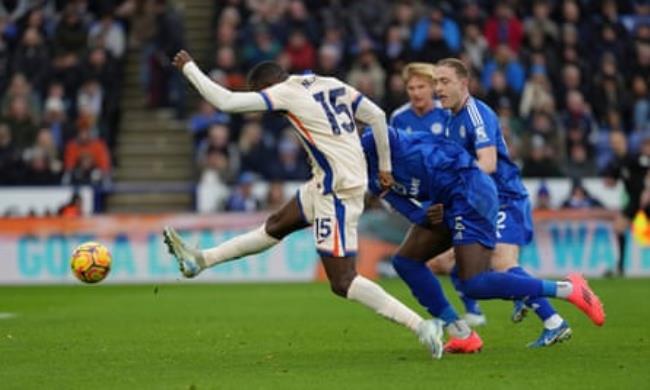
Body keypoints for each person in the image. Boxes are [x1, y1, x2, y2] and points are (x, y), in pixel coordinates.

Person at [163, 50, 446, 358]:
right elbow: (377, 116)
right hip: (329, 180)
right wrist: (385, 167)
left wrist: (189, 68)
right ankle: (200, 261)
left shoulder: (284, 93)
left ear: (266, 86)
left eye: (262, 95)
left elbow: (227, 102)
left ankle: (422, 326)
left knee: (342, 280)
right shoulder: (326, 82)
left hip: (337, 190)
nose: (266, 103)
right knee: (274, 226)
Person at [363, 126, 605, 350]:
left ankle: (570, 290)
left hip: (470, 194)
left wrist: (435, 206)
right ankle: (461, 333)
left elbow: (446, 168)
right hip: (446, 202)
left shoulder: (401, 148)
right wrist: (422, 213)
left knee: (476, 282)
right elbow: (403, 205)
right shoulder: (369, 173)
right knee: (406, 261)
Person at [433, 57, 575, 347]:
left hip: (504, 198)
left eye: (444, 81)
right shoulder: (450, 122)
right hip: (480, 202)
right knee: (458, 264)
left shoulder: (476, 115)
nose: (439, 88)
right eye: (436, 82)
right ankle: (524, 297)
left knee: (501, 263)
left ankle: (554, 315)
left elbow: (487, 162)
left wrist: (457, 179)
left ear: (464, 83)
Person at [389, 62, 447, 136]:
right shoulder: (398, 117)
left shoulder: (448, 113)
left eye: (421, 87)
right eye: (411, 88)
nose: (416, 93)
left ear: (433, 87)